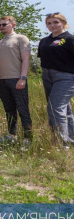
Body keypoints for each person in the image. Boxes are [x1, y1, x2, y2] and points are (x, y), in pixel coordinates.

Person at [0, 15, 33, 147]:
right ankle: (11, 135)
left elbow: (26, 60)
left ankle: (28, 138)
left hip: (17, 79)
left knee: (22, 109)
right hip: (2, 81)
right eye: (0, 25)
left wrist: (23, 78)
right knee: (9, 110)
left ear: (13, 24)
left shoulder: (21, 38)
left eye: (4, 24)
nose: (1, 27)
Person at [38, 12, 74, 149]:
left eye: (55, 22)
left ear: (63, 23)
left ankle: (61, 143)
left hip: (65, 77)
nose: (52, 25)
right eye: (49, 23)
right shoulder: (44, 41)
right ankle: (70, 138)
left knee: (55, 108)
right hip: (47, 76)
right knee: (66, 110)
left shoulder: (69, 39)